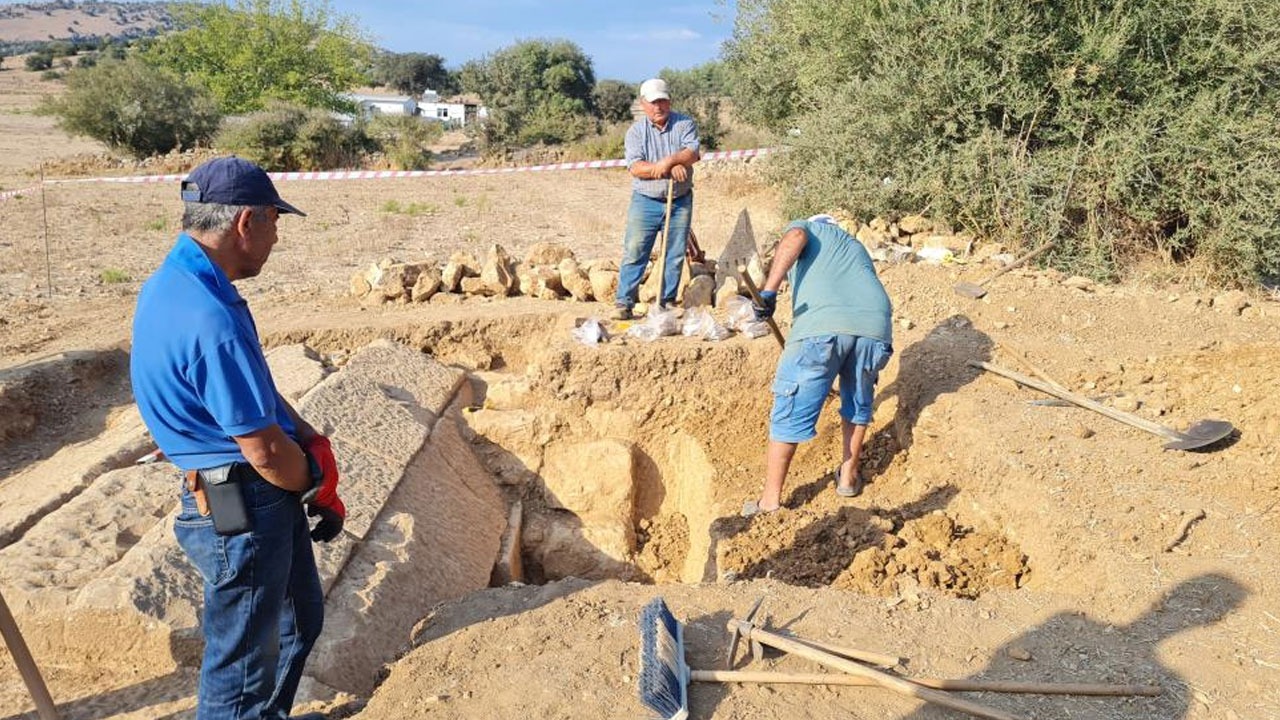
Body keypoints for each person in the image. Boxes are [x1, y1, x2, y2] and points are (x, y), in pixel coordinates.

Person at [130, 156, 346, 720]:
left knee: (298, 621)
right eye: (276, 221)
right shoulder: (210, 318)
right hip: (241, 502)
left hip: (245, 493)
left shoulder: (178, 284)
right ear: (247, 222)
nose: (277, 237)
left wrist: (304, 433)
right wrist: (318, 483)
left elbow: (256, 397)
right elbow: (265, 452)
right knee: (245, 661)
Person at [743, 215, 894, 516]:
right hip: (874, 327)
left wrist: (769, 291)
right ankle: (848, 479)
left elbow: (795, 235)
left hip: (822, 328)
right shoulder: (854, 247)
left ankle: (770, 501)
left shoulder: (809, 227)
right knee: (858, 400)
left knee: (791, 405)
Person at [613, 77, 701, 320]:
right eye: (653, 102)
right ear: (643, 104)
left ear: (669, 100)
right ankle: (624, 301)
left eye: (662, 101)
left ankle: (667, 302)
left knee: (674, 253)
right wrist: (668, 168)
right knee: (635, 250)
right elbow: (636, 168)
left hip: (679, 200)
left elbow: (692, 153)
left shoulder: (684, 124)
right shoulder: (636, 132)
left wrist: (670, 161)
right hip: (646, 201)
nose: (658, 107)